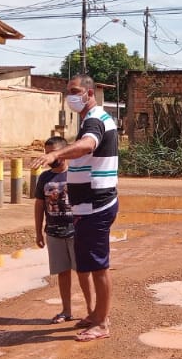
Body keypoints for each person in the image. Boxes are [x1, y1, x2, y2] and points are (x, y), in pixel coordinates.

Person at [31, 75, 118, 343]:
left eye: (75, 91)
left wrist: (57, 154)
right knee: (88, 265)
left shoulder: (95, 120)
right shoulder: (90, 119)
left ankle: (101, 322)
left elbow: (88, 145)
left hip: (96, 205)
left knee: (98, 266)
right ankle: (95, 315)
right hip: (86, 207)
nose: (71, 95)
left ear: (90, 93)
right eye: (68, 91)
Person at [34, 136, 95, 324]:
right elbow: (39, 205)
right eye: (46, 154)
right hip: (54, 232)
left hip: (76, 232)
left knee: (83, 272)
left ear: (63, 153)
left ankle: (92, 311)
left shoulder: (77, 174)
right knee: (63, 272)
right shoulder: (45, 177)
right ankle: (66, 310)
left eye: (51, 154)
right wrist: (38, 232)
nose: (48, 158)